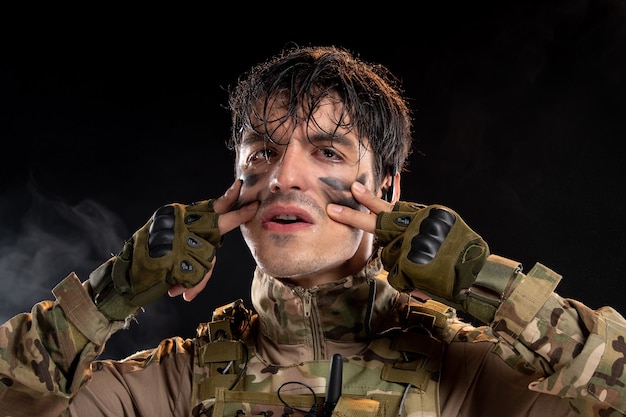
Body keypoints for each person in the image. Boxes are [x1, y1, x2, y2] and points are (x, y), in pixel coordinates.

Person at [0, 45, 625, 417]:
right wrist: (110, 295)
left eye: (326, 152)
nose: (283, 178)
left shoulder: (472, 375)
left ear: (387, 190)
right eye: (263, 154)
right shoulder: (176, 385)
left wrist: (487, 286)